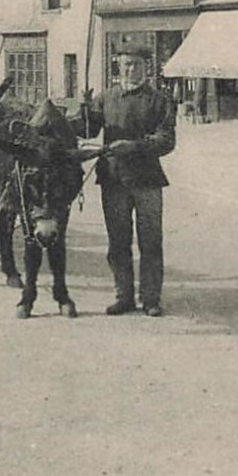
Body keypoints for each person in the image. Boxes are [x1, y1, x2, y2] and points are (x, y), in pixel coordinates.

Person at [78, 46, 176, 317]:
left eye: (136, 64)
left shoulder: (159, 101)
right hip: (114, 179)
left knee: (150, 241)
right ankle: (123, 296)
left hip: (147, 181)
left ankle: (151, 298)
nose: (130, 69)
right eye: (125, 64)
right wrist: (83, 109)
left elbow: (167, 140)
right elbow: (86, 130)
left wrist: (133, 146)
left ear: (147, 67)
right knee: (118, 241)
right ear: (117, 67)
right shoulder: (106, 98)